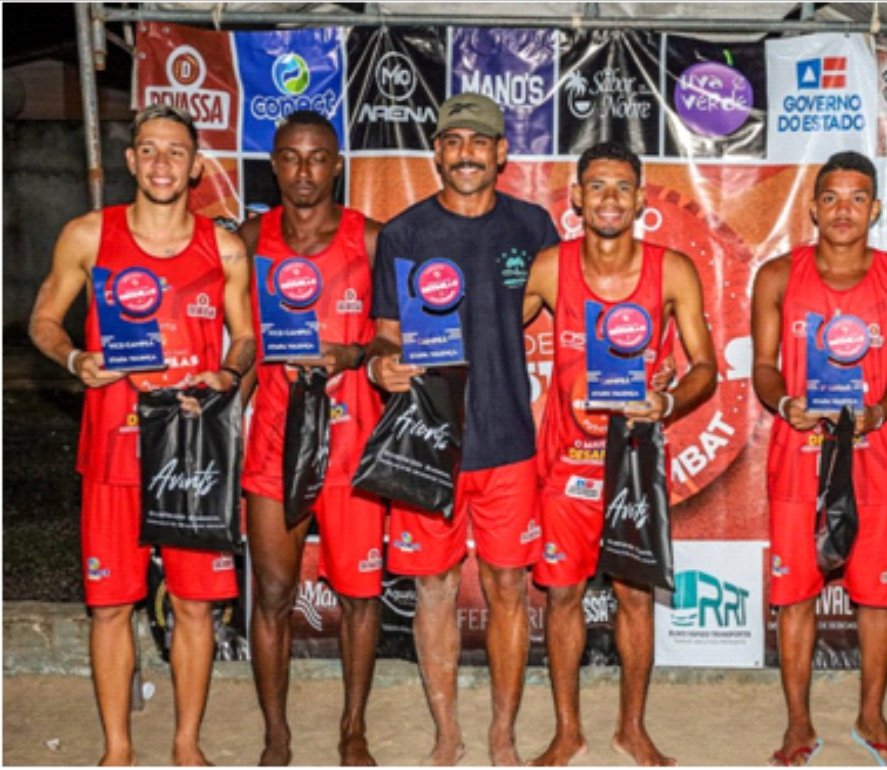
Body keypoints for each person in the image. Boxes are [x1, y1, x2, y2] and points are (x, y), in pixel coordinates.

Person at [28, 104, 255, 766]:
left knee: (194, 607)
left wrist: (227, 373)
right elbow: (43, 319)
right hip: (114, 451)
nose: (161, 163)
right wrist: (75, 358)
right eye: (149, 149)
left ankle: (187, 746)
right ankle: (118, 751)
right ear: (131, 160)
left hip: (191, 452)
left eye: (176, 152)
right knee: (109, 608)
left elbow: (245, 336)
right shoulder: (88, 235)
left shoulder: (225, 247)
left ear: (196, 167)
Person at [366, 92, 559, 766]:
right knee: (433, 588)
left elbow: (573, 308)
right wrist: (381, 365)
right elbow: (384, 334)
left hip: (507, 440)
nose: (466, 153)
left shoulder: (533, 226)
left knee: (509, 587)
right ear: (438, 152)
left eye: (479, 141)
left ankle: (502, 734)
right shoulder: (404, 233)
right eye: (453, 141)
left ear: (501, 152)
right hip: (428, 443)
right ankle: (446, 733)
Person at [524, 140, 718, 767]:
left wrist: (668, 402)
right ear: (576, 198)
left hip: (632, 463)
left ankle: (631, 729)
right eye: (597, 186)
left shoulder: (673, 270)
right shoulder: (550, 267)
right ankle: (568, 731)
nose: (609, 198)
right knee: (562, 596)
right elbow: (494, 329)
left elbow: (706, 369)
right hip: (565, 466)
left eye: (622, 187)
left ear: (639, 200)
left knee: (635, 599)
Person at [751, 151, 887, 766]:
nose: (843, 210)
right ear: (813, 207)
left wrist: (878, 412)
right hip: (800, 453)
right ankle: (798, 722)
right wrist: (784, 403)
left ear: (875, 208)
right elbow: (764, 367)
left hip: (873, 453)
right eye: (831, 197)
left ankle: (871, 716)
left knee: (878, 596)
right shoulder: (778, 275)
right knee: (796, 594)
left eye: (856, 198)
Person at [238, 109, 384, 766]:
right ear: (274, 164)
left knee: (359, 595)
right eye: (292, 157)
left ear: (337, 166)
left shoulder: (370, 239)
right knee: (272, 594)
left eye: (318, 157)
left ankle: (353, 728)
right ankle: (276, 734)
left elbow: (395, 337)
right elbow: (236, 336)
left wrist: (354, 354)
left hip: (351, 443)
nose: (304, 170)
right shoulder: (250, 238)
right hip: (275, 437)